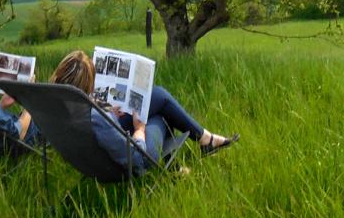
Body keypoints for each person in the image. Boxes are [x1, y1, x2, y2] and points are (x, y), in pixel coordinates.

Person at [50, 50, 238, 175]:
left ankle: (204, 141)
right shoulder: (97, 118)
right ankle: (188, 156)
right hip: (136, 158)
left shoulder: (54, 104)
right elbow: (135, 157)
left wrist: (110, 112)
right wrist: (139, 130)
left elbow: (98, 127)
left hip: (88, 156)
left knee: (157, 96)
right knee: (161, 115)